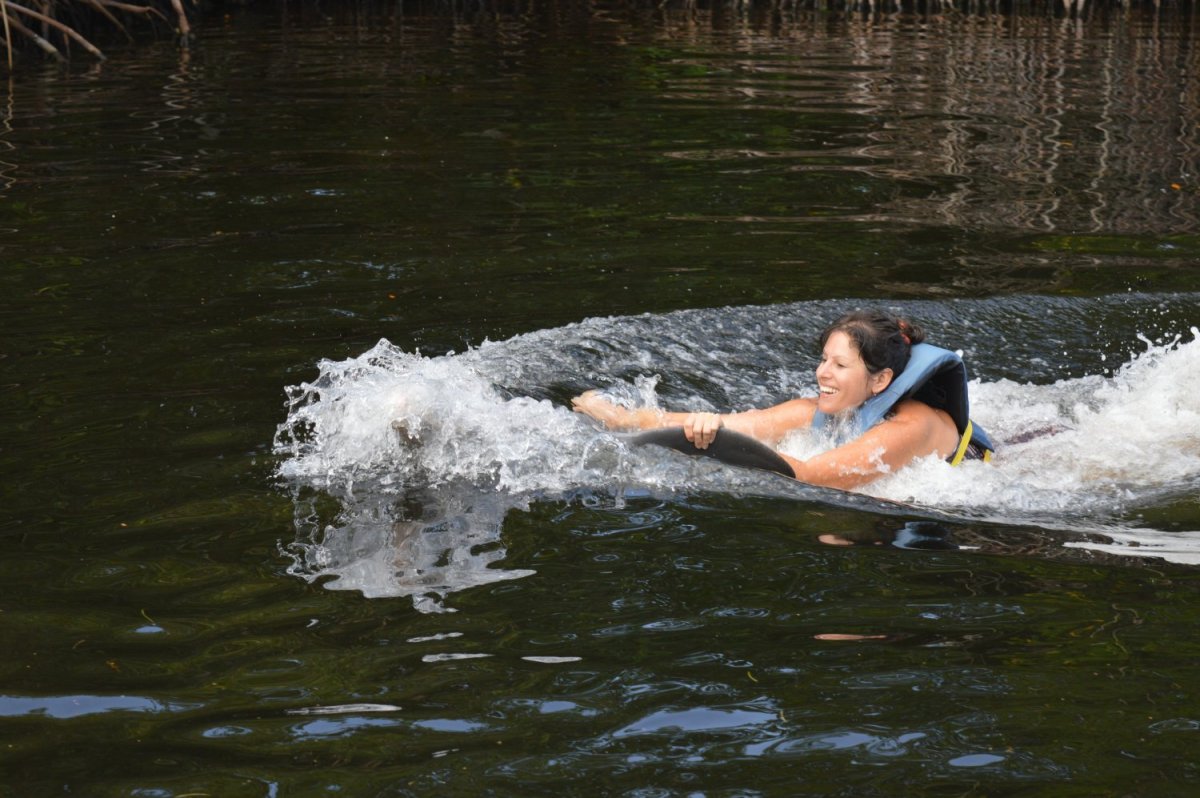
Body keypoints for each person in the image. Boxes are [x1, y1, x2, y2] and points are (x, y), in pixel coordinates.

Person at [572, 309, 994, 491]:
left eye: (840, 366)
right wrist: (621, 417)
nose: (821, 374)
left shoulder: (911, 428)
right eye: (823, 359)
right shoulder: (814, 411)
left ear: (880, 379)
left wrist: (718, 447)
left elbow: (812, 476)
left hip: (1007, 472)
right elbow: (733, 422)